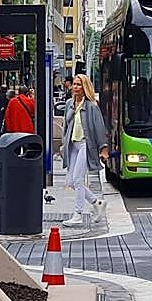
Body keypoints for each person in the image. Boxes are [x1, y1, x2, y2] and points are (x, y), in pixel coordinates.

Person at [62, 74, 108, 227]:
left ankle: (78, 214)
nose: (75, 87)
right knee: (71, 181)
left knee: (78, 179)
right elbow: (66, 127)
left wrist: (103, 148)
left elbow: (99, 128)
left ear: (85, 87)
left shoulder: (91, 106)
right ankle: (97, 202)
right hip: (72, 145)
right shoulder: (69, 104)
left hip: (85, 145)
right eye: (74, 84)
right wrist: (63, 146)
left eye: (78, 85)